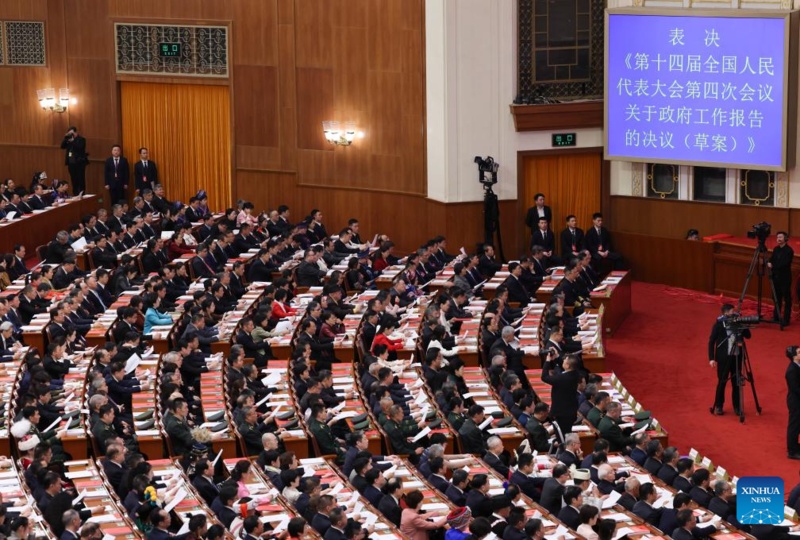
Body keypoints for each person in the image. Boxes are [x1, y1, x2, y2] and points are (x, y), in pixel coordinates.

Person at [708, 303, 751, 416]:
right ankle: (718, 406)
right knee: (722, 382)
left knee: (737, 383)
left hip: (736, 357)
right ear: (726, 313)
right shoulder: (718, 324)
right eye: (732, 311)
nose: (734, 313)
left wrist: (742, 324)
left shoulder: (738, 321)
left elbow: (748, 336)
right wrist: (711, 358)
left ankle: (737, 407)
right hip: (723, 358)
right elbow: (711, 341)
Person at [769, 231, 793, 326]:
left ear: (785, 239)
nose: (778, 239)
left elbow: (784, 264)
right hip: (775, 277)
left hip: (784, 278)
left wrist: (772, 265)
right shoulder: (776, 249)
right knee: (776, 297)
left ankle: (786, 319)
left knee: (786, 299)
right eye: (777, 237)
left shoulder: (789, 251)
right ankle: (776, 316)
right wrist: (768, 263)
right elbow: (772, 259)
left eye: (780, 237)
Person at [60, 126, 87, 194]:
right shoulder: (68, 139)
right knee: (73, 180)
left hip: (79, 163)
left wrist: (73, 141)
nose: (71, 134)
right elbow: (62, 146)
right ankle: (75, 194)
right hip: (71, 163)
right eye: (69, 133)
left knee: (81, 180)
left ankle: (82, 194)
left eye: (72, 133)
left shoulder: (81, 139)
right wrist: (65, 138)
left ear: (75, 132)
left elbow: (80, 148)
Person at [787, 346, 800, 460]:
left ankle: (796, 446)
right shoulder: (791, 370)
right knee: (794, 426)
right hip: (795, 401)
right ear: (794, 356)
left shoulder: (797, 366)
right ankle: (792, 451)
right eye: (799, 352)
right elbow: (795, 388)